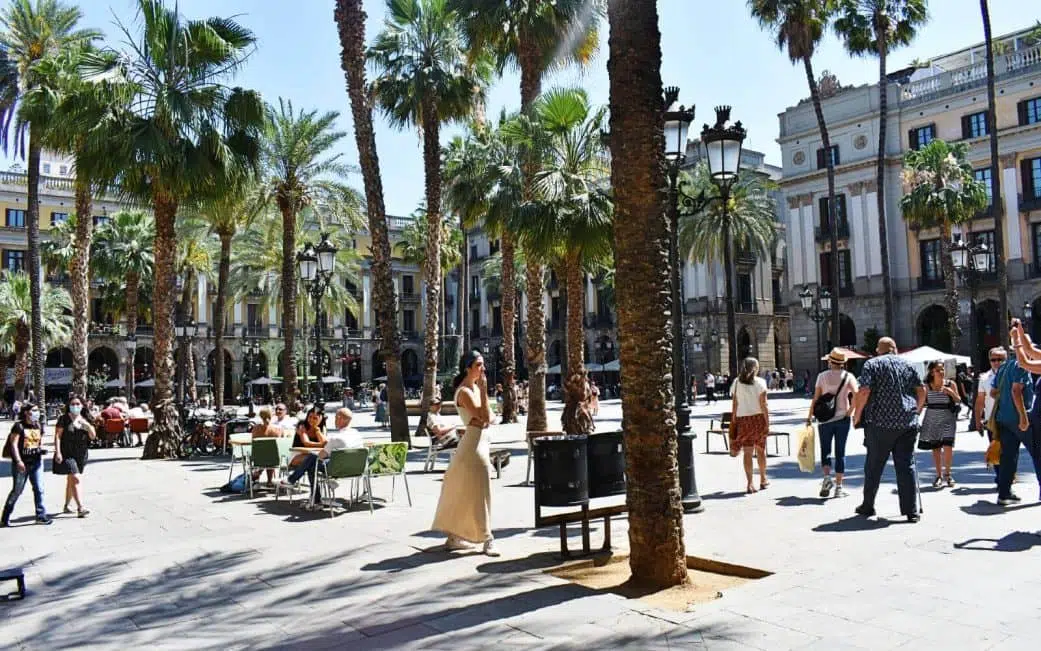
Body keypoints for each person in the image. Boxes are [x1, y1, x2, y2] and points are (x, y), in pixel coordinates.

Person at [432, 350, 499, 556]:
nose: (483, 368)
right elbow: (485, 416)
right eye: (479, 365)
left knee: (465, 492)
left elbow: (488, 418)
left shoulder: (474, 390)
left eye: (483, 364)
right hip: (473, 447)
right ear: (468, 367)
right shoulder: (465, 393)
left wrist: (485, 410)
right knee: (481, 492)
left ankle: (454, 537)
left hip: (479, 442)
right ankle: (487, 538)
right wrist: (485, 392)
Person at [852, 337, 925, 523]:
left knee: (874, 466)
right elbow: (921, 390)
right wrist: (916, 411)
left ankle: (868, 505)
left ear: (879, 350)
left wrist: (857, 414)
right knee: (906, 466)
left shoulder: (872, 364)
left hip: (880, 423)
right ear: (895, 349)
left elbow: (865, 391)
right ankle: (911, 511)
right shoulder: (909, 365)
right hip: (907, 423)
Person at [997, 322, 1041, 502]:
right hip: (1020, 418)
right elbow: (1029, 351)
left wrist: (1016, 338)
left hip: (1007, 418)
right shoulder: (1014, 366)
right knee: (1036, 456)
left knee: (1010, 455)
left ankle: (1004, 492)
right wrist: (1021, 333)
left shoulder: (1006, 366)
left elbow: (1026, 358)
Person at [806, 348, 859, 498]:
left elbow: (816, 399)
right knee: (840, 452)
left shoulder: (821, 376)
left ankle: (827, 478)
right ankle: (839, 487)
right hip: (842, 419)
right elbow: (856, 394)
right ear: (842, 363)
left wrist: (809, 416)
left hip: (824, 419)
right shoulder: (849, 376)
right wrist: (851, 411)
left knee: (826, 450)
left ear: (830, 361)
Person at [2, 403, 51, 526]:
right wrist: (18, 461)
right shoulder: (18, 426)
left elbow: (37, 442)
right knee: (17, 490)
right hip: (22, 464)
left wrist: (41, 450)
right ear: (26, 412)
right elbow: (13, 444)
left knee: (39, 489)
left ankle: (40, 515)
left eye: (37, 410)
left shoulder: (37, 425)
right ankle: (6, 515)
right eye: (34, 410)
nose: (36, 413)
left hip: (36, 462)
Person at [917, 360, 961, 488]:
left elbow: (959, 399)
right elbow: (921, 403)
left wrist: (951, 393)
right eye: (938, 370)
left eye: (942, 369)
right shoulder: (927, 386)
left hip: (948, 417)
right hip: (932, 418)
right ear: (932, 372)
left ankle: (948, 474)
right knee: (936, 448)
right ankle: (938, 475)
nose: (941, 372)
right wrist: (915, 417)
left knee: (948, 446)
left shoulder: (950, 384)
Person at [730, 357, 770, 494]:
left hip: (743, 420)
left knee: (747, 452)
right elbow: (763, 404)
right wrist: (767, 422)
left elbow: (735, 404)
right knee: (760, 450)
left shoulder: (736, 383)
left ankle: (749, 483)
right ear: (755, 368)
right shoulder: (760, 383)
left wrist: (734, 419)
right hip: (758, 419)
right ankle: (763, 479)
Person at [53, 395, 97, 517]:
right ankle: (80, 508)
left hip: (81, 453)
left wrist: (87, 425)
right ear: (69, 406)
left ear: (82, 405)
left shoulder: (86, 418)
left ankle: (67, 505)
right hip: (67, 452)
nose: (75, 406)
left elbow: (93, 436)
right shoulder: (64, 419)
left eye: (78, 404)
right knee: (76, 477)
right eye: (73, 404)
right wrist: (58, 452)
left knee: (71, 479)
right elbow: (57, 436)